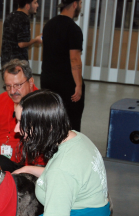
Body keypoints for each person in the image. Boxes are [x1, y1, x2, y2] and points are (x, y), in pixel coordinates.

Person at [0, 59, 43, 172]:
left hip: (29, 166)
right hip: (2, 159)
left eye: (17, 85)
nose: (12, 91)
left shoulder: (42, 106)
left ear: (30, 82)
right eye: (8, 86)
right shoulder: (2, 99)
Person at [41, 0, 84, 132]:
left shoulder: (48, 25)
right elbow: (75, 59)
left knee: (50, 119)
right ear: (75, 4)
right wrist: (78, 84)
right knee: (71, 121)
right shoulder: (73, 29)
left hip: (48, 81)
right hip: (66, 84)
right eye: (81, 3)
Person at [1, 0, 42, 67]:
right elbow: (22, 44)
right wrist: (36, 40)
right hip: (18, 63)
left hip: (6, 61)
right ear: (27, 6)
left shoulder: (10, 16)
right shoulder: (24, 19)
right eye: (35, 2)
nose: (37, 5)